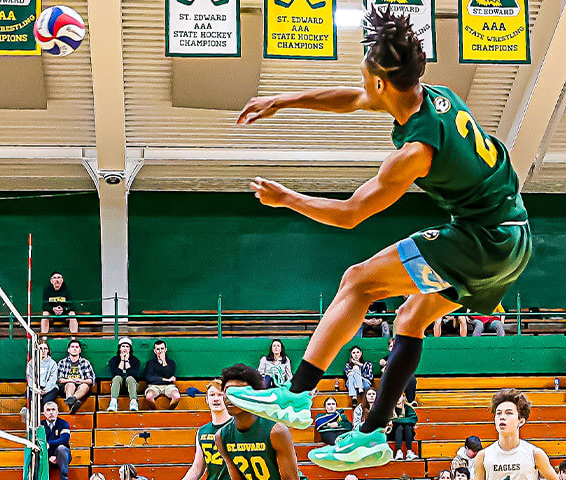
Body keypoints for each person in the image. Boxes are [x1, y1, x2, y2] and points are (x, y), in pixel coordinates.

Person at [226, 6, 533, 471]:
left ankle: (298, 396)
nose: (362, 82)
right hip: (514, 238)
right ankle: (370, 436)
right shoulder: (433, 96)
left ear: (382, 82)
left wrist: (290, 199)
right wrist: (284, 100)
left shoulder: (413, 154)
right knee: (410, 316)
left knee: (358, 281)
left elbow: (351, 214)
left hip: (481, 239)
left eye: (365, 73)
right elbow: (351, 99)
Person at [215, 364, 302, 480]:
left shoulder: (276, 431)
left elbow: (291, 478)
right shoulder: (221, 436)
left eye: (239, 390)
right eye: (228, 391)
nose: (232, 396)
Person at [472, 389, 559, 480]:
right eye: (498, 413)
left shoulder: (535, 454)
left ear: (521, 421)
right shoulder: (483, 456)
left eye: (508, 413)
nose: (502, 417)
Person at [182, 379, 232, 480]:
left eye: (220, 395)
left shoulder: (237, 427)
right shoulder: (202, 431)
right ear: (207, 399)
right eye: (212, 395)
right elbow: (196, 469)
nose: (216, 399)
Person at [22, 341, 59, 422]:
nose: (43, 350)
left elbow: (53, 379)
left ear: (48, 350)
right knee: (33, 400)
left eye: (45, 348)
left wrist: (45, 391)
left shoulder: (52, 363)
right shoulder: (31, 363)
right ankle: (27, 413)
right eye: (40, 348)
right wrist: (36, 390)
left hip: (49, 389)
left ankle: (47, 421)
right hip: (35, 388)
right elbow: (30, 378)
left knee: (46, 402)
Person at [57, 339, 95, 414]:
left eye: (77, 347)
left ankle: (72, 400)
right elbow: (59, 379)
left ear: (80, 350)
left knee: (84, 385)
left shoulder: (85, 362)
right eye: (72, 347)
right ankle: (72, 402)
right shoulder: (62, 362)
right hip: (66, 386)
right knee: (71, 384)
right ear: (68, 350)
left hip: (81, 386)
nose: (74, 348)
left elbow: (91, 380)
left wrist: (81, 381)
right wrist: (70, 380)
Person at [144, 340, 180, 410]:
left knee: (176, 396)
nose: (160, 351)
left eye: (162, 349)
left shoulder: (171, 363)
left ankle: (169, 412)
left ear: (166, 349)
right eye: (158, 349)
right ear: (154, 351)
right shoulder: (150, 363)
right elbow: (149, 377)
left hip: (168, 386)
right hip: (154, 386)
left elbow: (168, 374)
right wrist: (166, 379)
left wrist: (164, 361)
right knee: (149, 396)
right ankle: (155, 413)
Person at [108, 337, 141, 412]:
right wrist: (122, 361)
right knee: (117, 378)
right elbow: (115, 373)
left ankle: (133, 402)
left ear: (130, 349)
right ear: (119, 348)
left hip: (131, 385)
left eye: (127, 346)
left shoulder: (135, 360)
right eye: (123, 346)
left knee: (130, 378)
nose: (125, 348)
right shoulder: (114, 360)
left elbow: (134, 374)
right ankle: (113, 403)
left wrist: (127, 362)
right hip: (118, 386)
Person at [380, 337, 417, 403]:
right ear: (389, 348)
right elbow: (383, 372)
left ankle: (410, 401)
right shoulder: (384, 359)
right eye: (391, 346)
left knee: (411, 379)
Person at [41, 271, 78, 335]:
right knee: (45, 314)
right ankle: (44, 338)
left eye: (58, 277)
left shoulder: (67, 290)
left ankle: (73, 338)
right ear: (51, 281)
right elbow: (44, 306)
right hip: (52, 314)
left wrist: (63, 309)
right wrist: (53, 309)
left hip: (64, 313)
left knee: (72, 314)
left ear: (62, 280)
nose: (57, 280)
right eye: (54, 278)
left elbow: (72, 305)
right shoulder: (47, 290)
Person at [43, 401, 72, 480]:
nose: (51, 412)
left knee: (61, 448)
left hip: (62, 456)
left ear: (57, 412)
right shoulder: (40, 426)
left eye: (53, 410)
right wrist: (48, 456)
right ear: (44, 413)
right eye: (48, 410)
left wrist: (49, 443)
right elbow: (41, 443)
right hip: (46, 456)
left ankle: (64, 478)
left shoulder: (64, 424)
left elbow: (64, 440)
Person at [392, 393, 418, 461]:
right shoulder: (389, 409)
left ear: (403, 397)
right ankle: (399, 451)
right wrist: (403, 421)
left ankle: (409, 451)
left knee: (406, 427)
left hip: (407, 433)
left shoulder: (408, 408)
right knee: (399, 427)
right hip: (393, 434)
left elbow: (413, 419)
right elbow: (389, 420)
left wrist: (397, 420)